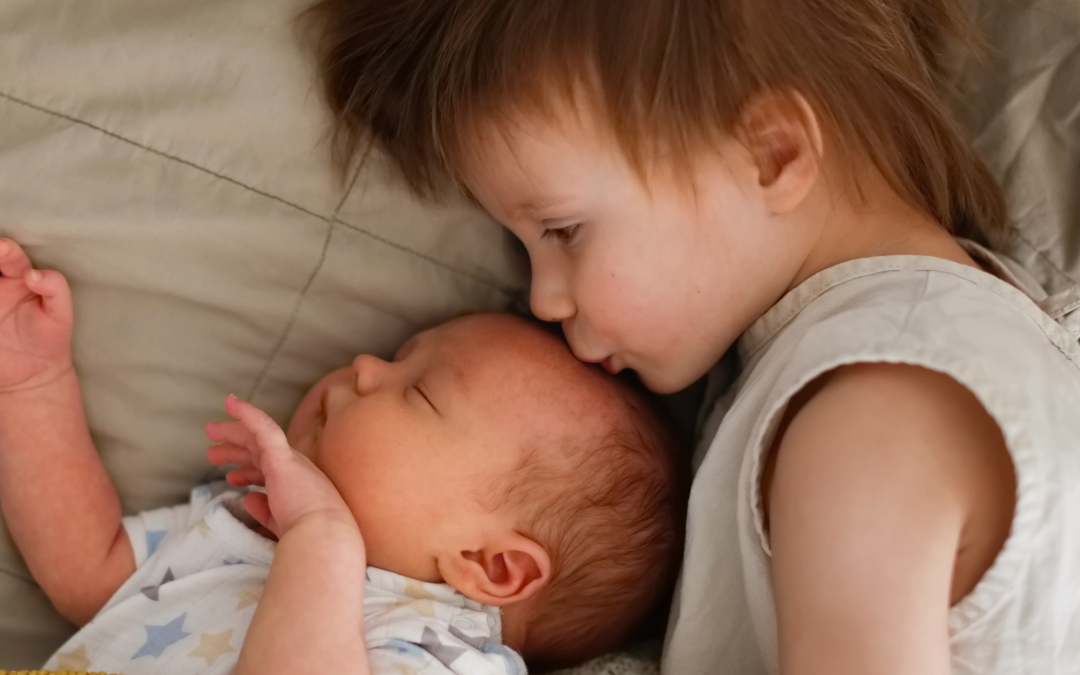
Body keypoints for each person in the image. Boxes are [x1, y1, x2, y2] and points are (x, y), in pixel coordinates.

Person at [306, 0, 1080, 673]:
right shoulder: (899, 347)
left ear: (770, 155)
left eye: (564, 230)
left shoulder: (872, 421)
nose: (543, 297)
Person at [0, 238, 687, 674]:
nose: (363, 366)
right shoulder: (249, 525)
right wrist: (32, 384)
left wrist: (321, 541)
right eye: (395, 357)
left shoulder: (443, 650)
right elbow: (91, 574)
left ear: (489, 565)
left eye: (418, 392)